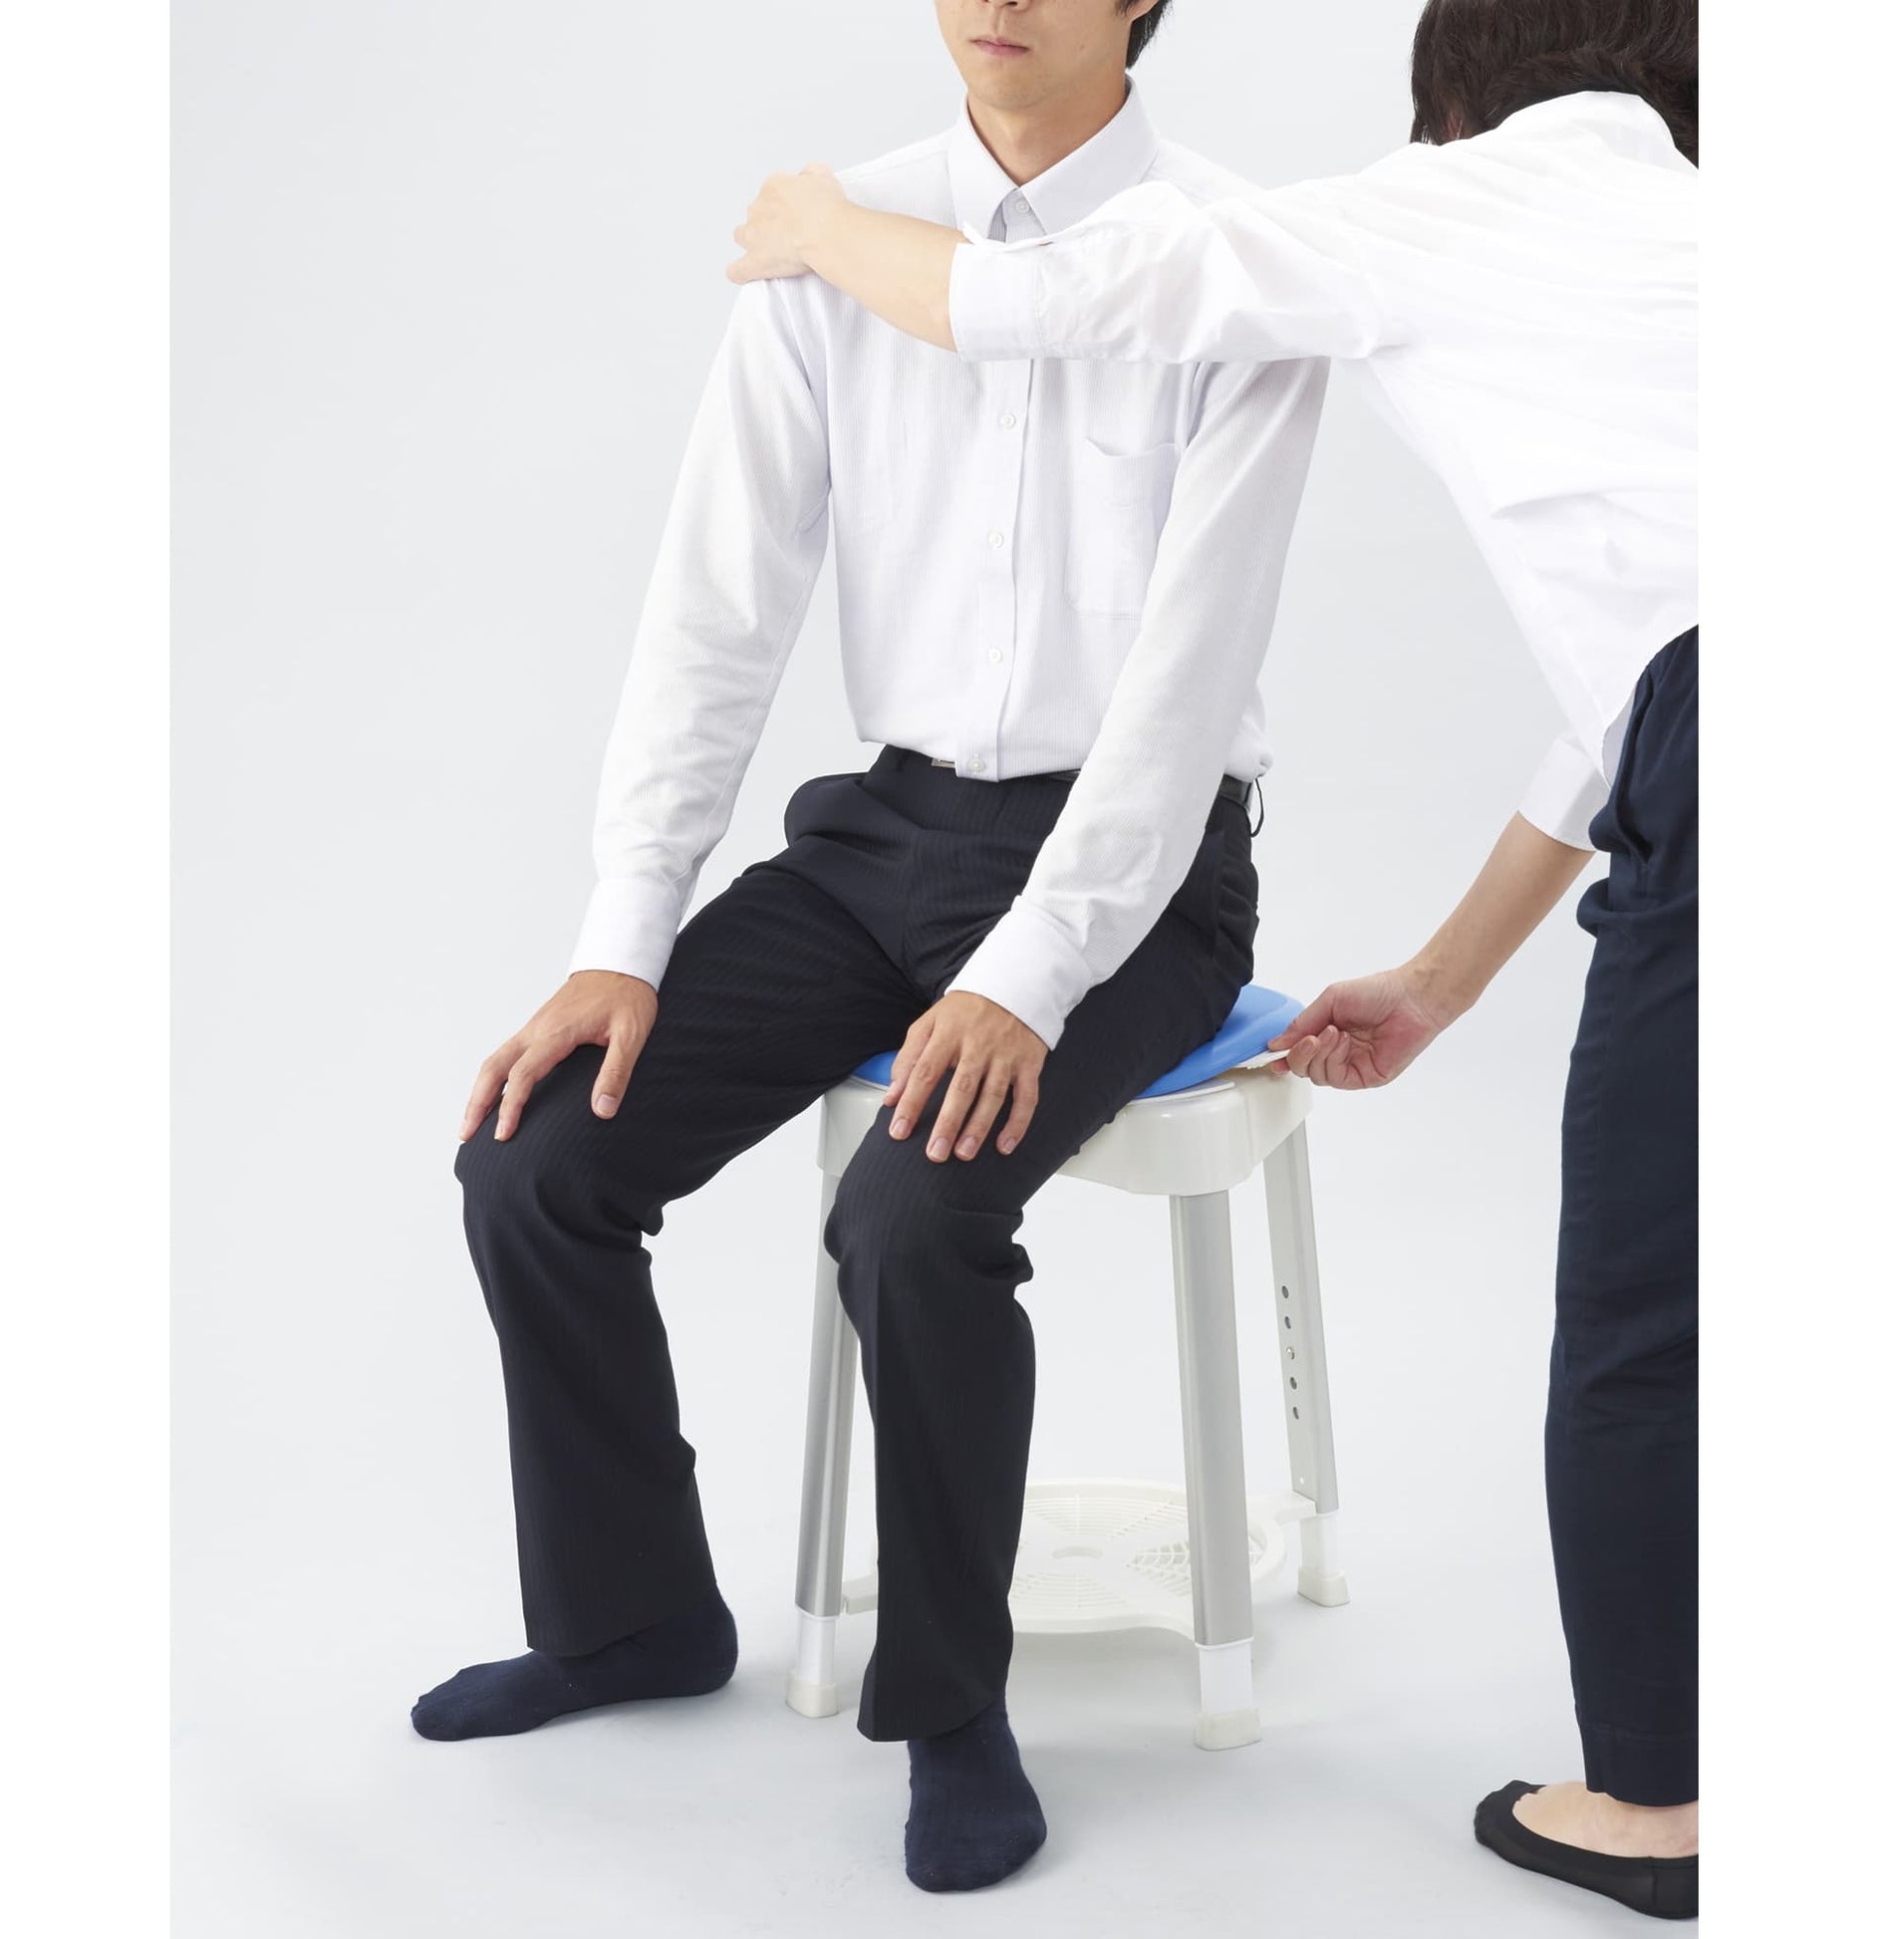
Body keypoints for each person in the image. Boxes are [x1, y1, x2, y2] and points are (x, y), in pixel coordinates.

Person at [728, 0, 1698, 1920]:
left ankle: (1659, 1807)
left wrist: (816, 224)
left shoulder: (1441, 201)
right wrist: (1442, 978)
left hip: (1612, 768)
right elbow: (1635, 699)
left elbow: (1053, 299)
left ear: (1450, 93)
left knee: (1651, 1320)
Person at [417, 0, 1329, 1895]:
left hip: (1142, 869)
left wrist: (1028, 970)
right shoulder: (828, 238)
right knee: (534, 1160)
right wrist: (625, 927)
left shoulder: (1238, 263)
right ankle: (630, 1617)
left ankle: (948, 1704)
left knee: (910, 1215)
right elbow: (719, 597)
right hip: (882, 838)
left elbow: (1185, 687)